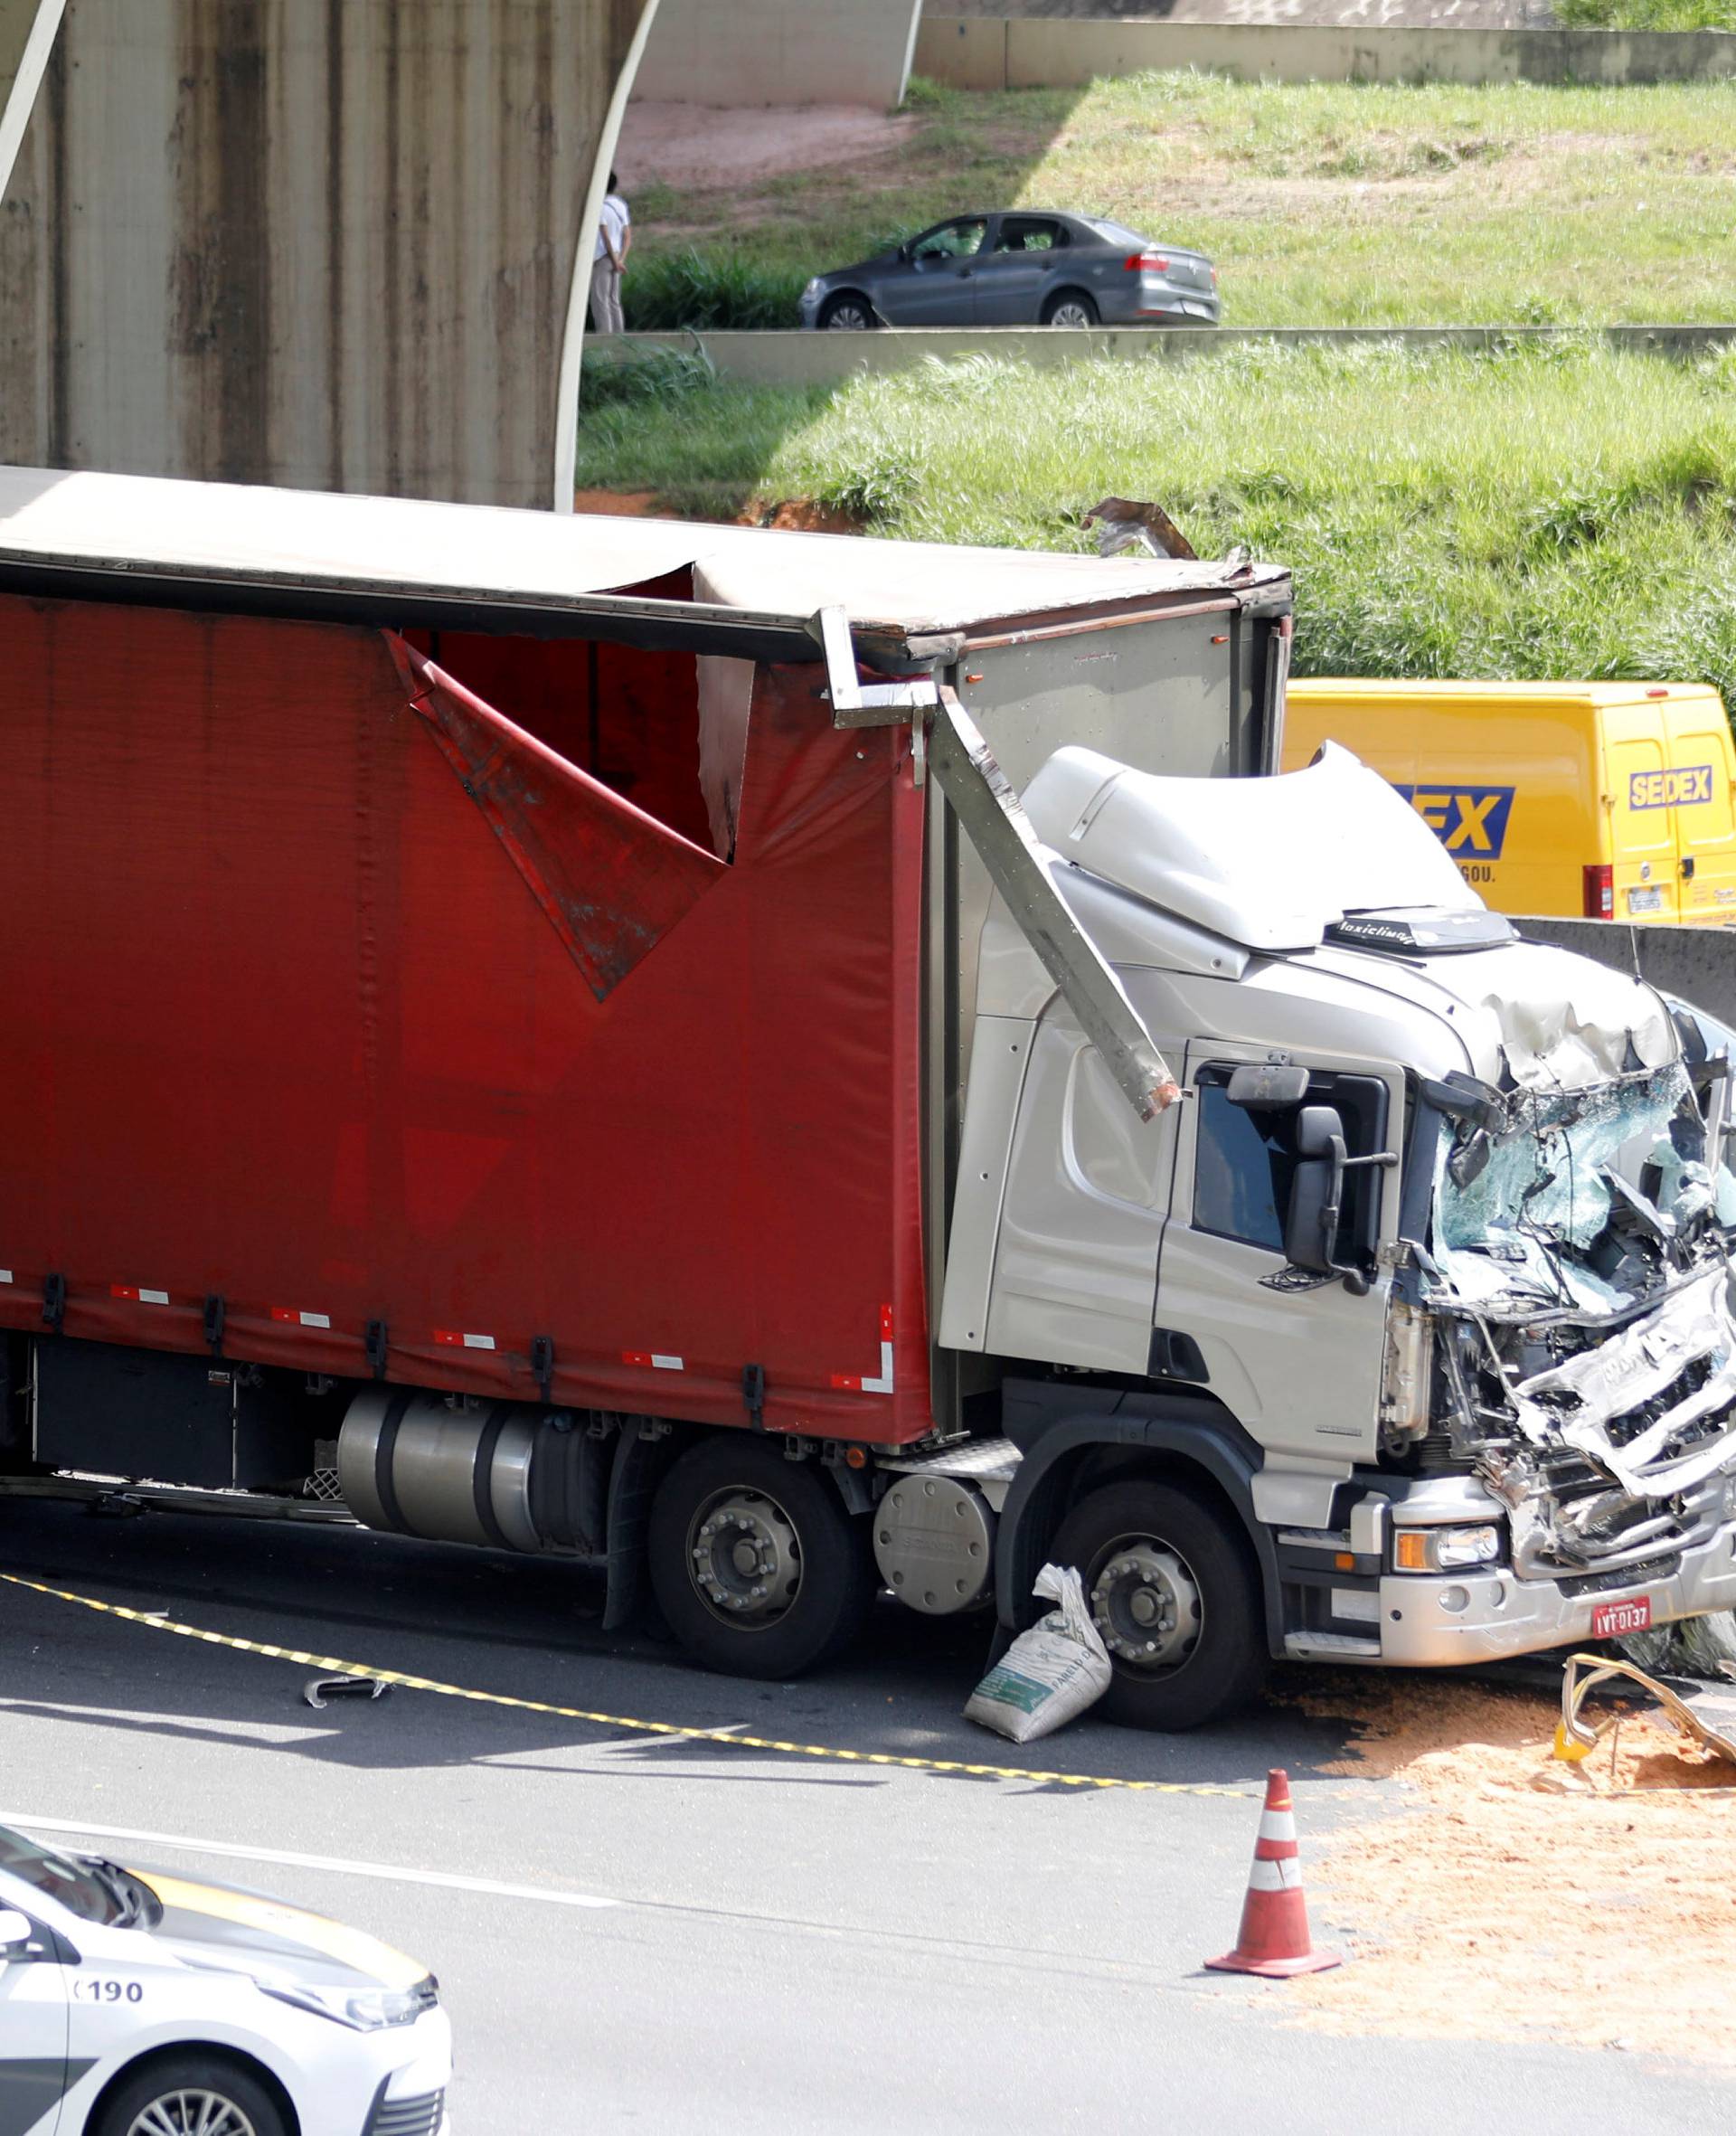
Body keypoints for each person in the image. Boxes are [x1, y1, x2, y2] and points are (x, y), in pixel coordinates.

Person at [590, 172, 630, 336]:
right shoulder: (620, 204)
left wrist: (615, 261)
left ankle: (604, 337)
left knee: (600, 300)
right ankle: (619, 336)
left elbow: (605, 237)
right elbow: (627, 235)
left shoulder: (598, 206)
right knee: (614, 300)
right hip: (617, 255)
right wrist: (621, 259)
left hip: (603, 257)